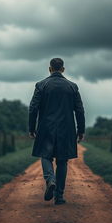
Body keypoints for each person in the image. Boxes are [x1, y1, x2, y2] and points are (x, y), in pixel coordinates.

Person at [28, 57, 85, 205]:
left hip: (46, 127)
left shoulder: (41, 85)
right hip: (67, 129)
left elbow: (33, 108)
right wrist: (81, 130)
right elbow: (79, 110)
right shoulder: (73, 86)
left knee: (46, 156)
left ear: (50, 69)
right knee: (62, 161)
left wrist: (31, 128)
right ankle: (59, 197)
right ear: (63, 69)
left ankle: (50, 179)